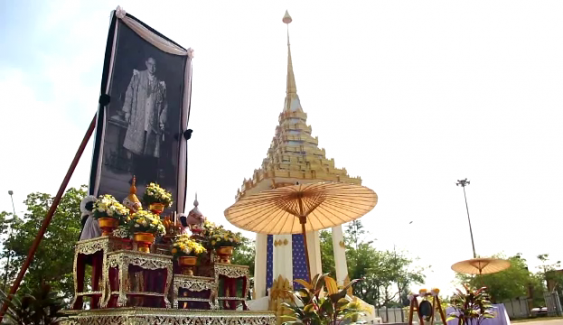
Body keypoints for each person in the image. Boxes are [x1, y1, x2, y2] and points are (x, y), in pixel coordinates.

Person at [122, 57, 168, 184]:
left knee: (149, 151)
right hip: (138, 118)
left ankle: (149, 179)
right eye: (150, 64)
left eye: (154, 65)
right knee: (137, 149)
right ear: (146, 64)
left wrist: (161, 121)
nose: (152, 67)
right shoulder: (138, 76)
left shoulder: (160, 84)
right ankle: (135, 177)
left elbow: (164, 105)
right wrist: (127, 111)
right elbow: (129, 93)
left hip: (151, 121)